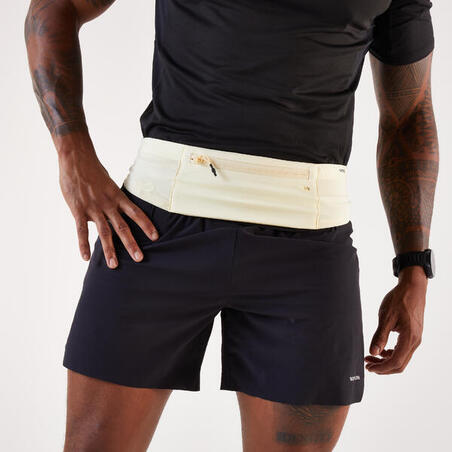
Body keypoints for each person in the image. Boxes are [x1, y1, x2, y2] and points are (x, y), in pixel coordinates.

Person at [25, 0, 439, 450]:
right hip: (154, 230)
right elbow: (57, 7)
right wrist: (72, 153)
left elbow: (409, 113)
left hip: (308, 252)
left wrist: (414, 266)